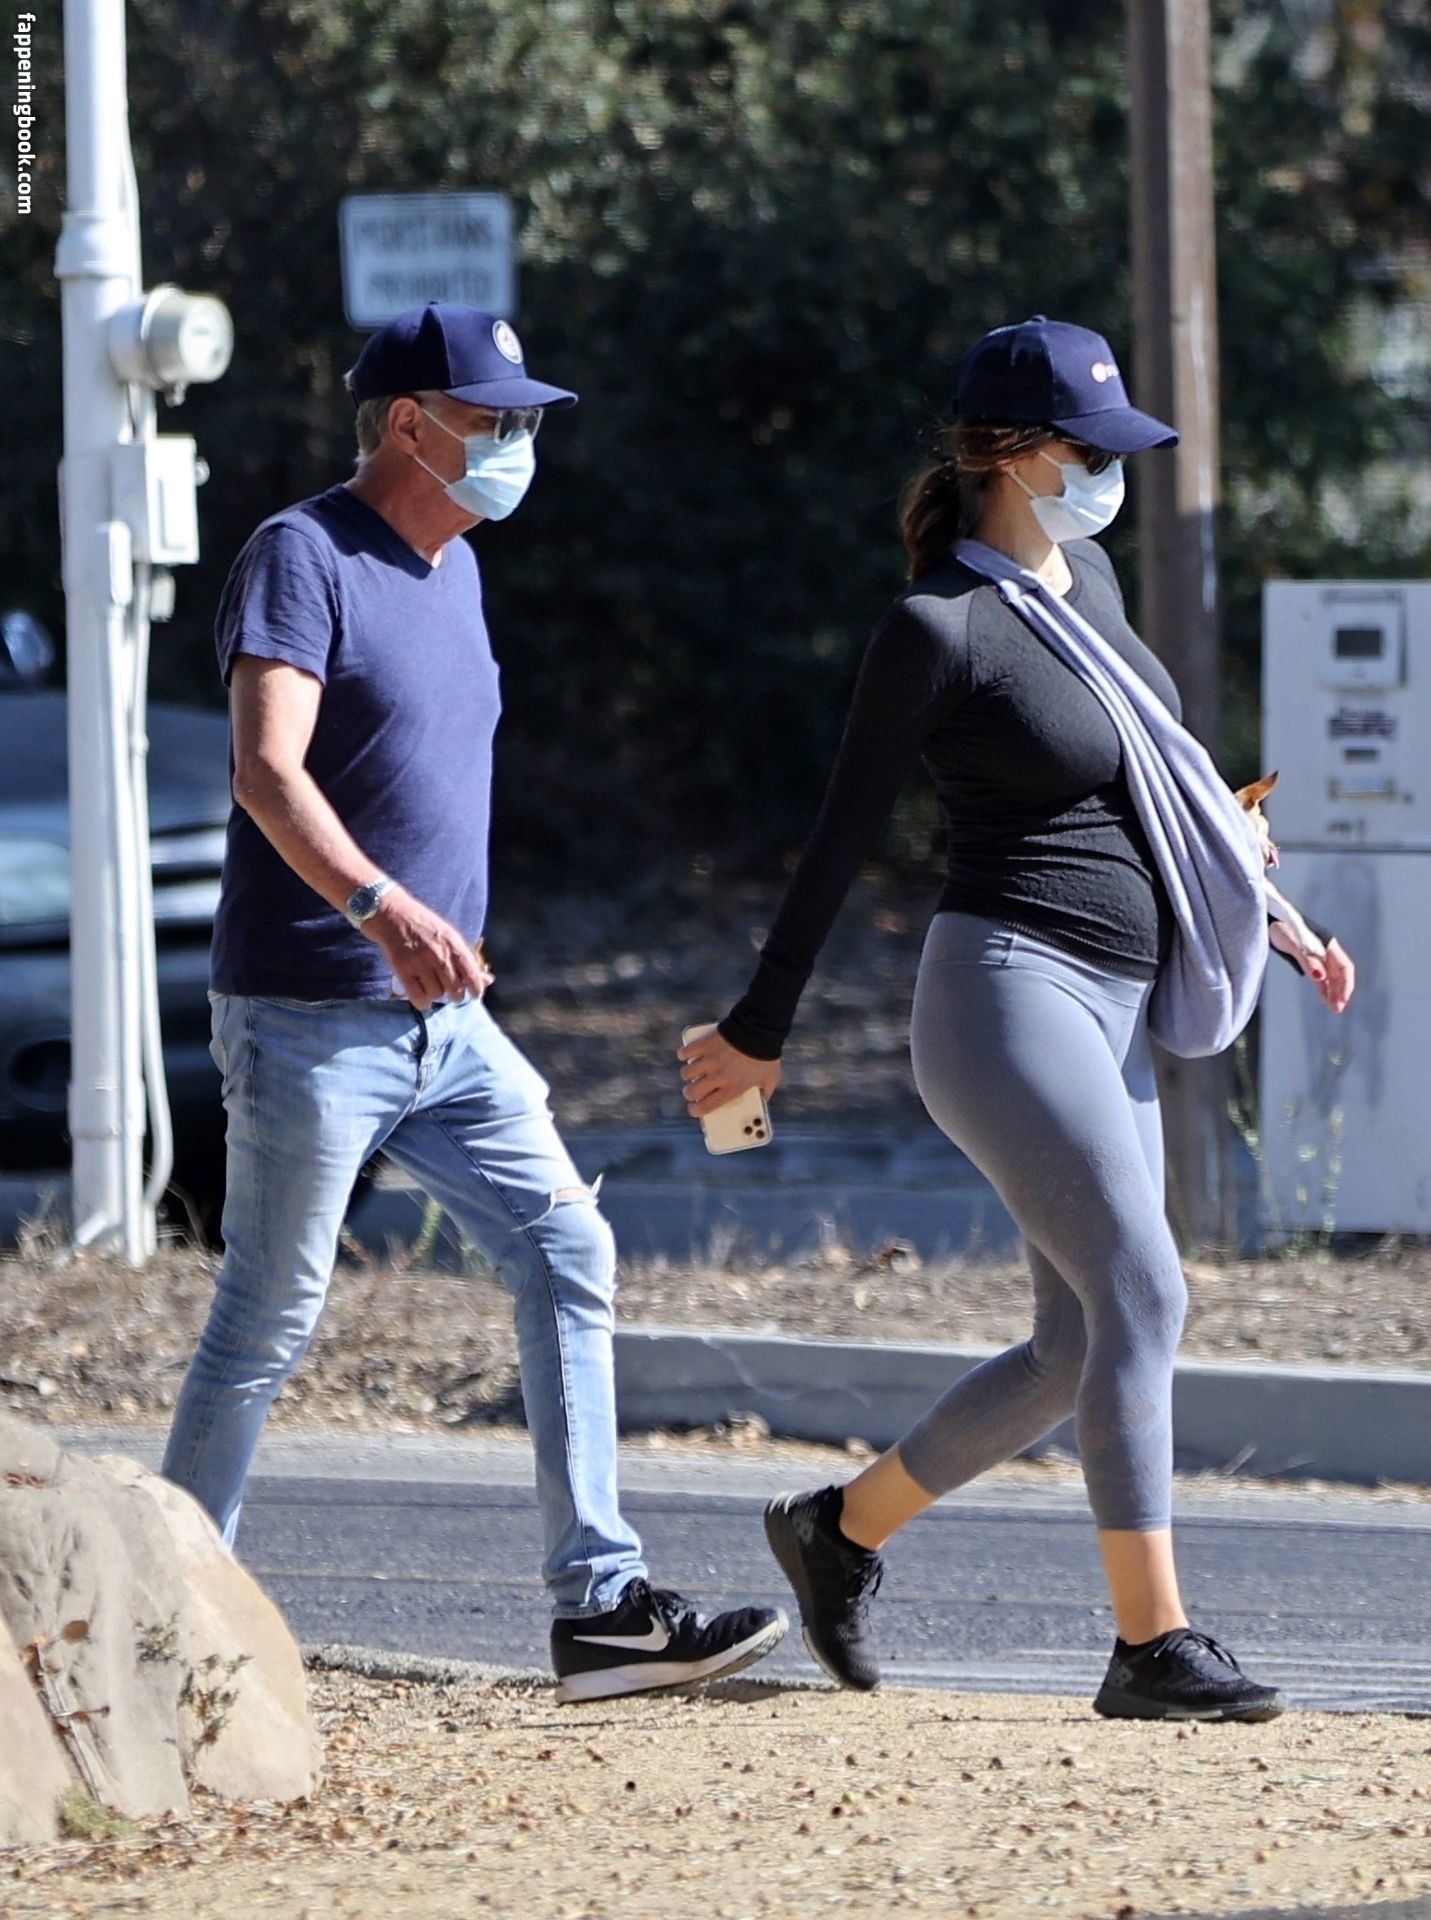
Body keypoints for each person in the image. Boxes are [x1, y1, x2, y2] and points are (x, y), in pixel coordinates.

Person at [679, 316, 1353, 1722]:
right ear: (1012, 453)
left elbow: (1150, 776)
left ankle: (838, 1531)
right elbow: (835, 842)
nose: (1111, 472)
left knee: (1074, 1345)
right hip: (1005, 996)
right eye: (1090, 449)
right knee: (1146, 1292)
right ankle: (1151, 1646)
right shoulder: (937, 628)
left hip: (1114, 1005)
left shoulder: (1084, 580)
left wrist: (1267, 904)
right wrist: (757, 1033)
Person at [162, 302, 786, 1704]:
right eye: (494, 420)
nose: (517, 443)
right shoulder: (302, 555)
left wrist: (430, 940)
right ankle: (168, 1617)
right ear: (408, 424)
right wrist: (382, 910)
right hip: (310, 1013)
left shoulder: (457, 572)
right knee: (269, 1315)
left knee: (567, 1248)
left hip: (448, 1030)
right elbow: (267, 770)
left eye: (523, 421)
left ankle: (603, 1612)